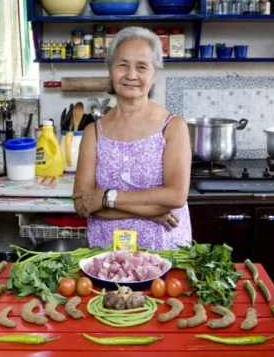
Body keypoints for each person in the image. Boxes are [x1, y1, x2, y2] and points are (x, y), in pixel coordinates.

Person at [72, 26, 192, 250]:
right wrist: (152, 211)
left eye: (142, 67)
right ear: (110, 70)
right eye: (123, 65)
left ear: (154, 75)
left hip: (164, 253)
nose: (131, 75)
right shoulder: (94, 132)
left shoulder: (173, 127)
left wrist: (106, 198)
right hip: (106, 256)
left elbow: (176, 196)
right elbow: (82, 203)